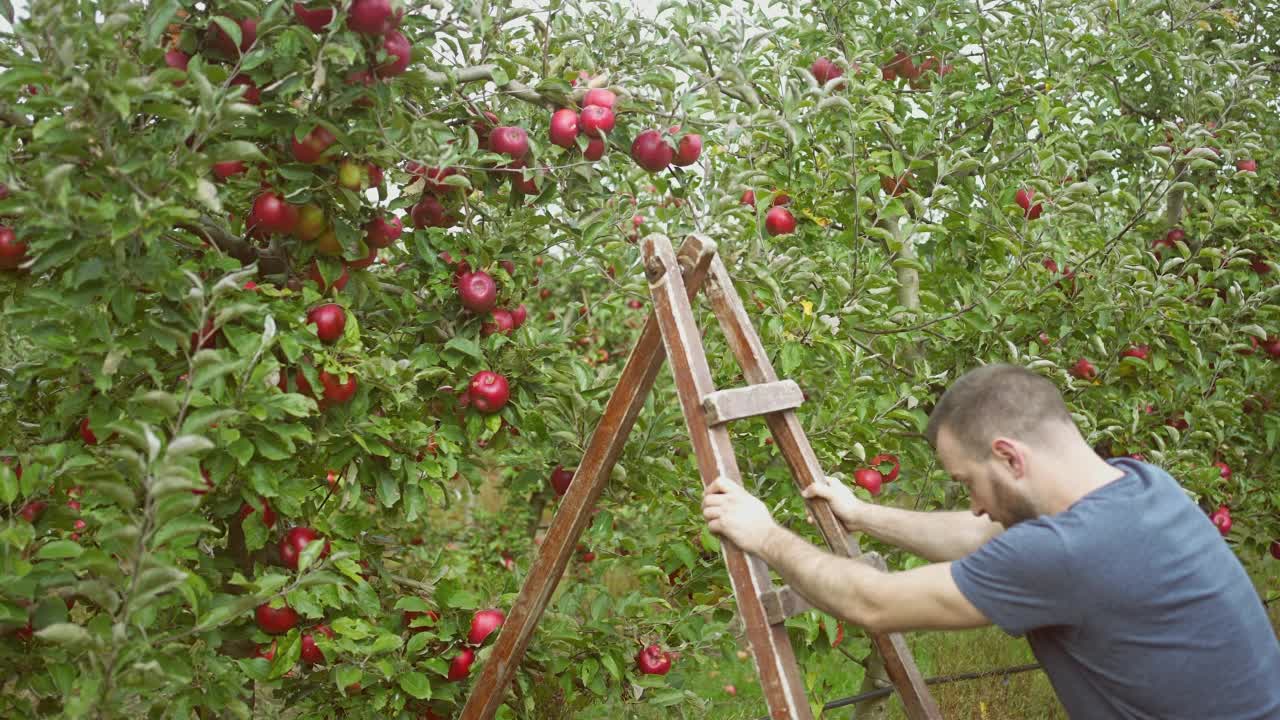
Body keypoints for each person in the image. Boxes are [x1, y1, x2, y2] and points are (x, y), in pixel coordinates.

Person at [702, 363, 1280, 719]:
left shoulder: (1067, 554)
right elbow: (985, 534)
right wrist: (862, 514)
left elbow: (871, 603)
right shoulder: (1142, 487)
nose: (974, 502)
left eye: (967, 482)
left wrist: (765, 535)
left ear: (1008, 455)